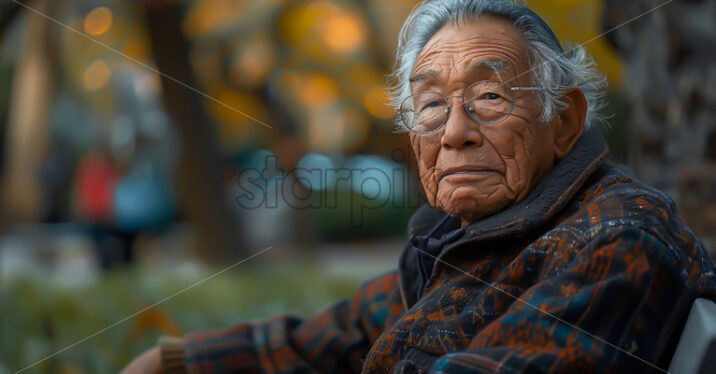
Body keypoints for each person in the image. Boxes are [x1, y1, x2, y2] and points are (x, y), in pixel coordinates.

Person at [123, 0, 716, 372]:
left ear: (563, 122)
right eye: (431, 105)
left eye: (489, 97)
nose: (455, 132)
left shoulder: (617, 235)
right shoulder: (462, 237)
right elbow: (341, 336)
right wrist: (178, 360)